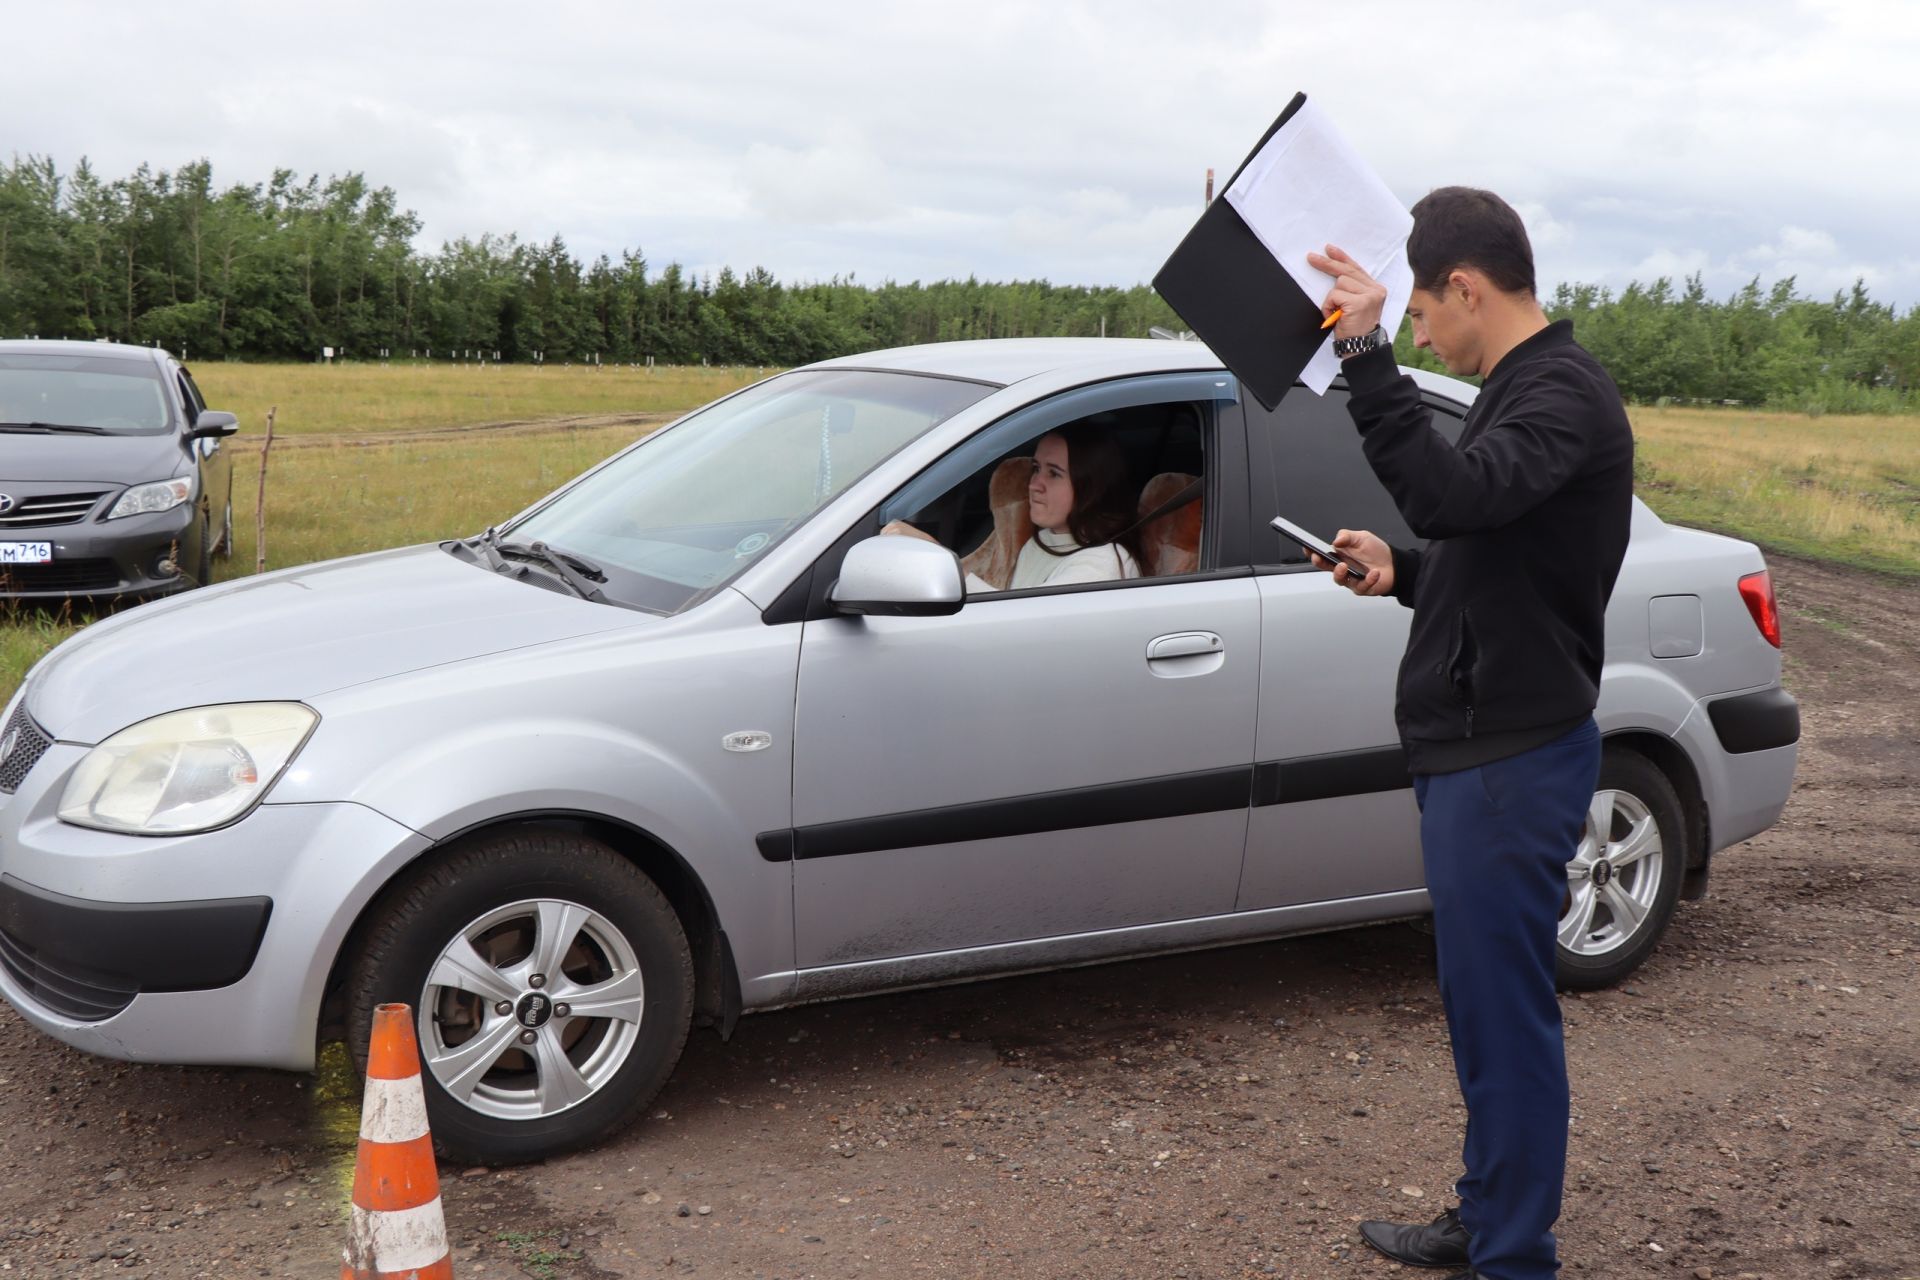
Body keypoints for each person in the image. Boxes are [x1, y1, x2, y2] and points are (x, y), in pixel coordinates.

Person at [1302, 187, 1635, 1280]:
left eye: (1419, 315)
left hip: (1511, 758)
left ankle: (1513, 1256)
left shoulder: (1563, 398)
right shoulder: (1521, 391)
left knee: (1506, 1027)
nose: (1414, 333)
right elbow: (1492, 547)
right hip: (1478, 749)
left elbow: (1449, 490)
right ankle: (1488, 1211)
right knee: (1482, 1017)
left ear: (1465, 286)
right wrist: (1404, 572)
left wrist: (1362, 360)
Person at [884, 423, 1140, 591]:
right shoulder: (1043, 542)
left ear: (1090, 487)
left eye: (1054, 474)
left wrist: (943, 561)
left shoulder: (1099, 566)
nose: (1034, 484)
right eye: (1037, 469)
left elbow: (1025, 628)